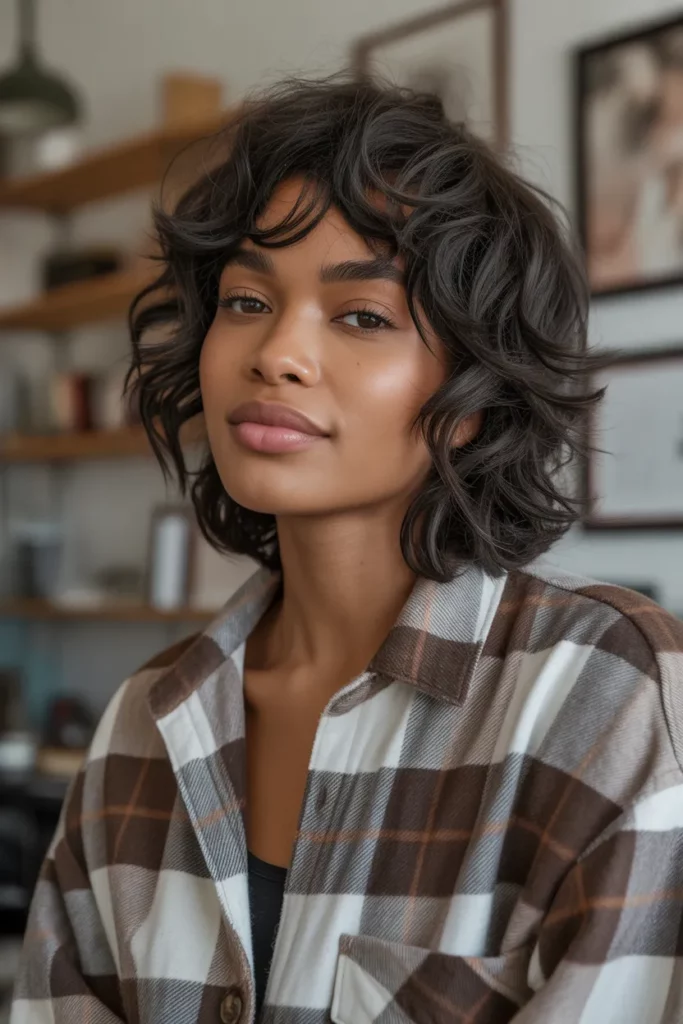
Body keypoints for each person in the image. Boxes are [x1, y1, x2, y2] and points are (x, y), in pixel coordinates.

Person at [12, 77, 683, 1024]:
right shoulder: (141, 727)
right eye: (245, 300)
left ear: (474, 395)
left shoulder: (607, 697)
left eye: (362, 316)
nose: (275, 351)